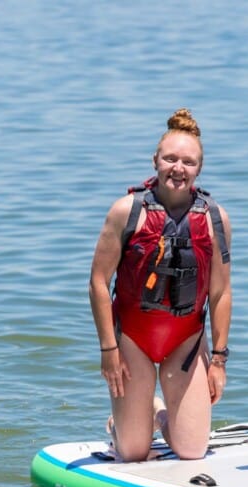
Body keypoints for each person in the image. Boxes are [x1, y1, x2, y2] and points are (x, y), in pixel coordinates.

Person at [89, 108, 232, 462]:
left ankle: (158, 414)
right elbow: (97, 282)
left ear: (199, 168)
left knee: (193, 450)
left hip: (185, 341)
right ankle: (131, 424)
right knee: (133, 452)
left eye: (188, 161)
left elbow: (221, 292)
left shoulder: (216, 219)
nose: (178, 168)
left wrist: (218, 360)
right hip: (132, 341)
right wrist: (109, 351)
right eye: (170, 159)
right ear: (155, 160)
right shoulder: (127, 211)